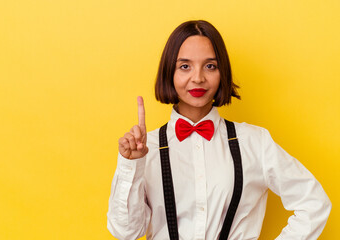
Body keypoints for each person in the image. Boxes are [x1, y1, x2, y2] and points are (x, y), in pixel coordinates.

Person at [107, 20, 331, 240]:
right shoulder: (148, 148)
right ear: (169, 72)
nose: (198, 78)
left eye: (210, 66)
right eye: (185, 66)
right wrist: (132, 165)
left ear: (222, 71)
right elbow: (126, 233)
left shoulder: (255, 142)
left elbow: (314, 203)